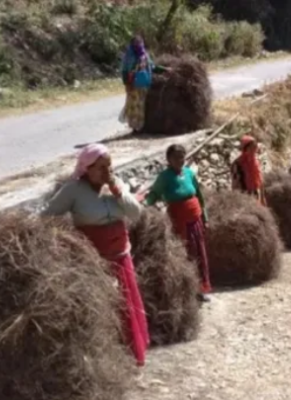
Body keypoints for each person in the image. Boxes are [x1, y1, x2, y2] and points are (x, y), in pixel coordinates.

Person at [41, 144, 149, 367]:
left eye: (109, 166)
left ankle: (132, 352)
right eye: (101, 167)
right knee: (104, 306)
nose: (107, 172)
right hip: (95, 260)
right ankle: (109, 358)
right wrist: (65, 240)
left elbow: (135, 213)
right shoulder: (73, 190)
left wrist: (117, 190)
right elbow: (47, 216)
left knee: (127, 305)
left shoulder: (116, 184)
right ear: (87, 168)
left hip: (121, 255)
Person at [144, 144, 212, 302]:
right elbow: (154, 194)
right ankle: (188, 291)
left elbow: (199, 196)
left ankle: (201, 289)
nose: (180, 160)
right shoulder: (164, 177)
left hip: (195, 220)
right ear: (168, 159)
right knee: (185, 254)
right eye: (176, 157)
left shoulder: (189, 173)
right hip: (179, 223)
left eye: (182, 157)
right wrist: (143, 206)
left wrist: (205, 217)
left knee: (199, 254)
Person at [121, 35, 154, 134]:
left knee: (141, 106)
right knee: (133, 107)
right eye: (136, 43)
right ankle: (135, 128)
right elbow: (124, 70)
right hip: (133, 85)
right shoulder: (128, 56)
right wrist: (127, 84)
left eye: (140, 42)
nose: (138, 45)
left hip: (144, 85)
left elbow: (152, 66)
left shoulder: (145, 55)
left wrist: (165, 69)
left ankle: (140, 127)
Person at [231, 135, 267, 206]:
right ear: (246, 148)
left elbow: (260, 180)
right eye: (252, 147)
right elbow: (235, 184)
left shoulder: (256, 162)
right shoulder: (237, 164)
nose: (254, 150)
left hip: (255, 195)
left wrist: (263, 198)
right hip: (243, 196)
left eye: (255, 147)